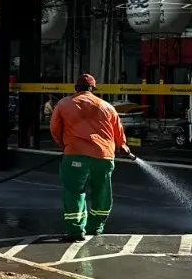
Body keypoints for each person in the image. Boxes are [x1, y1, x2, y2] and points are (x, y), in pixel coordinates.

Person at [48, 74, 136, 241]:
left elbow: (54, 128)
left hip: (75, 154)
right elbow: (119, 133)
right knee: (102, 191)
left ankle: (76, 229)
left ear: (76, 88)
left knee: (74, 190)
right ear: (93, 89)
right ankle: (96, 227)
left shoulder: (64, 103)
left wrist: (65, 145)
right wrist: (122, 146)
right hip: (104, 156)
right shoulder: (107, 107)